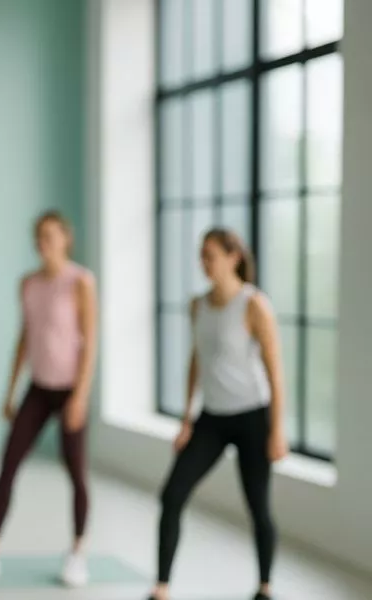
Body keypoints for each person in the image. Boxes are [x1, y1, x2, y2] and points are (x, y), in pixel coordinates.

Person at [0, 210, 98, 587]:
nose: (43, 242)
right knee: (8, 465)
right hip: (37, 388)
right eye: (39, 236)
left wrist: (80, 397)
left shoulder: (80, 281)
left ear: (66, 238)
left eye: (50, 235)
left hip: (69, 390)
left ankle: (77, 553)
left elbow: (90, 343)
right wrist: (10, 390)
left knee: (75, 471)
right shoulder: (28, 284)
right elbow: (25, 337)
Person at [148, 228, 288, 600]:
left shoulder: (254, 304)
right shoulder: (198, 305)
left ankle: (265, 586)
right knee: (172, 495)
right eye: (201, 255)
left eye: (210, 255)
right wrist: (185, 419)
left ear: (233, 258)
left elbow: (275, 371)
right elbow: (198, 359)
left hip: (252, 417)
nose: (203, 262)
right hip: (211, 417)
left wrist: (278, 430)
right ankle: (161, 587)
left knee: (258, 505)